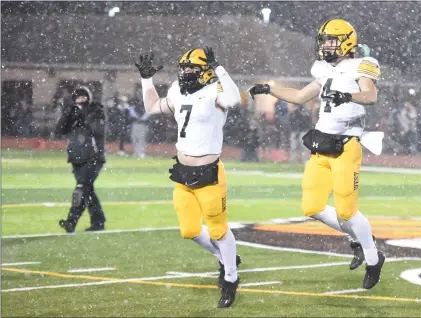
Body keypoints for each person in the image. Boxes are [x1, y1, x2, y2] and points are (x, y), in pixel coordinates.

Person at [248, 19, 385, 290]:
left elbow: (370, 95)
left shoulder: (363, 65)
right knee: (312, 207)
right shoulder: (323, 69)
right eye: (324, 40)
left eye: (331, 40)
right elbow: (300, 96)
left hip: (346, 146)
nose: (326, 46)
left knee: (347, 212)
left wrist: (347, 96)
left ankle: (373, 257)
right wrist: (270, 89)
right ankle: (357, 239)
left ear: (347, 41)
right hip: (321, 145)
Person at [135, 47, 242, 308]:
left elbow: (235, 99)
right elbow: (151, 106)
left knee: (218, 229)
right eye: (183, 69)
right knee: (190, 230)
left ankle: (230, 278)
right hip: (182, 171)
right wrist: (146, 79)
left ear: (206, 72)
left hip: (209, 172)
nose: (185, 74)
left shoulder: (216, 91)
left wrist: (219, 68)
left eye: (192, 69)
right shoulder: (176, 90)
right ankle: (226, 258)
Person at [56, 86, 107, 233]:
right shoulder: (72, 112)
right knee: (87, 190)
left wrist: (83, 112)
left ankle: (71, 222)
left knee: (81, 189)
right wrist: (70, 113)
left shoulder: (96, 110)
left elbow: (96, 130)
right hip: (76, 158)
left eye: (83, 96)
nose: (80, 99)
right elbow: (60, 129)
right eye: (77, 97)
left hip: (93, 157)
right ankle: (98, 222)